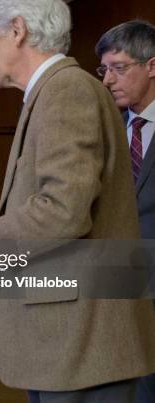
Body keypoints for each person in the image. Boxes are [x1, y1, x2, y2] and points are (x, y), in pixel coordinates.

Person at [0, 0, 155, 402]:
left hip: (81, 344)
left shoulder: (67, 90)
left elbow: (64, 209)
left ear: (17, 31)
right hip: (65, 345)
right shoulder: (51, 92)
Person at [96, 19, 155, 403]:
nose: (107, 81)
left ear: (152, 65)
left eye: (119, 68)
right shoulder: (105, 127)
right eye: (104, 70)